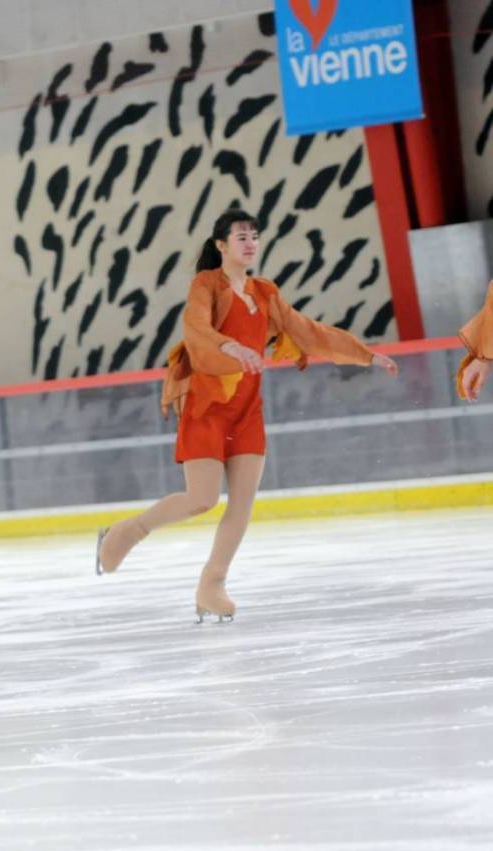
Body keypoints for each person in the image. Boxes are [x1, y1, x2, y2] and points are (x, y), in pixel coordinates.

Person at [95, 210, 398, 621]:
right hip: (207, 405)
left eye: (254, 235)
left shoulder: (264, 292)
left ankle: (212, 584)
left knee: (241, 505)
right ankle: (126, 532)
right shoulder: (207, 285)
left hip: (246, 409)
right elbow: (196, 329)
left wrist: (365, 355)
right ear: (221, 245)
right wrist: (230, 348)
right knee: (202, 500)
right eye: (241, 237)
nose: (250, 243)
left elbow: (307, 331)